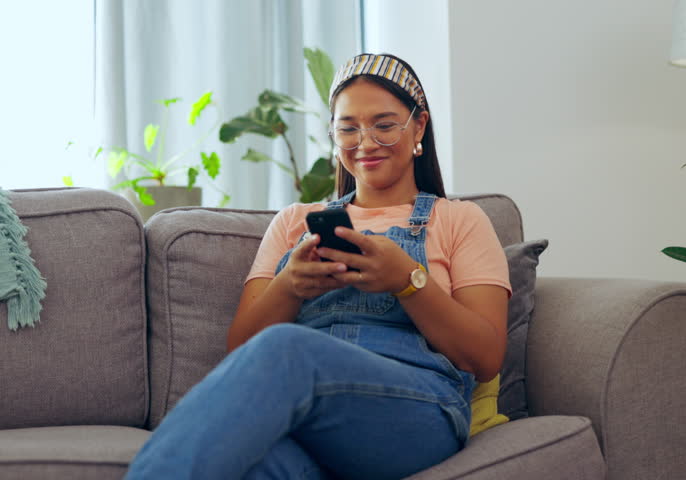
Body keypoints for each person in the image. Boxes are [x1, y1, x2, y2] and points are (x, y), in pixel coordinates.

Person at [125, 53, 512, 480]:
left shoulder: (459, 220)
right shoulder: (294, 221)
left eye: (384, 125)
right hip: (313, 421)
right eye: (348, 128)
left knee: (287, 349)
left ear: (418, 126)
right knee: (260, 468)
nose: (364, 142)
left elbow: (486, 355)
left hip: (417, 411)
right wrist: (289, 285)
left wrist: (407, 281)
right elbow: (243, 352)